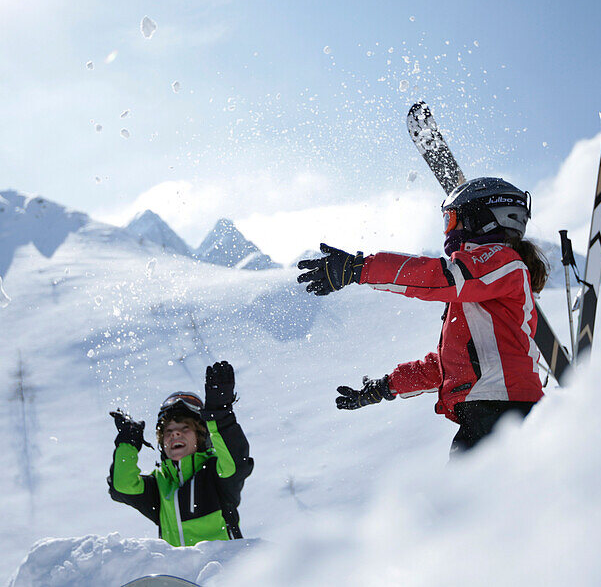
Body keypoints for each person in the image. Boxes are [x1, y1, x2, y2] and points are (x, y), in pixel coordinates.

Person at [297, 177, 548, 457]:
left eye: (452, 220)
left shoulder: (502, 262)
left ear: (484, 219)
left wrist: (359, 268)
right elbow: (445, 368)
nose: (447, 231)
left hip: (503, 413)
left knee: (467, 500)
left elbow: (440, 276)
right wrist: (384, 387)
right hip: (487, 414)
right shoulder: (481, 287)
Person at [107, 361, 253, 545]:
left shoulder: (216, 475)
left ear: (201, 437)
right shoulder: (159, 486)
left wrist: (220, 414)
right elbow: (123, 486)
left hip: (223, 571)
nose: (175, 434)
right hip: (178, 574)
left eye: (185, 428)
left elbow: (236, 461)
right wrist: (128, 444)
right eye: (168, 431)